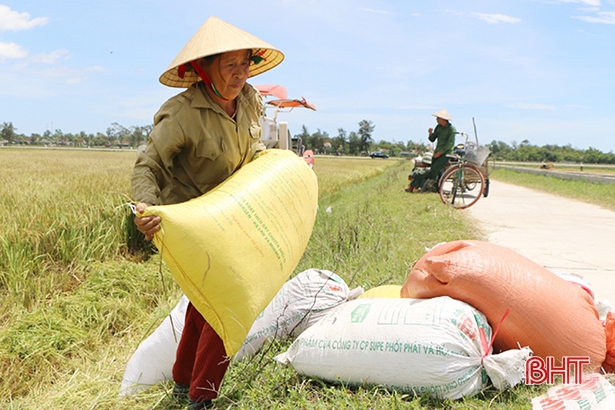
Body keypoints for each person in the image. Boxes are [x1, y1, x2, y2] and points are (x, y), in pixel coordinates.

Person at [131, 16, 284, 409]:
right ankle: (202, 396)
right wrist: (145, 207)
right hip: (194, 223)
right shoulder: (181, 113)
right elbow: (148, 165)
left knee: (206, 302)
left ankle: (184, 379)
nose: (240, 74)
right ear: (204, 68)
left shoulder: (250, 101)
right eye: (229, 64)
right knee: (227, 301)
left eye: (245, 63)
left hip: (236, 217)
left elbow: (255, 153)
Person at [406, 109, 456, 192]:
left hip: (445, 154)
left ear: (444, 119)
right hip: (437, 152)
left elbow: (450, 144)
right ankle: (430, 186)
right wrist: (430, 133)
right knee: (433, 171)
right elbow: (432, 139)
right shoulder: (438, 127)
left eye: (438, 118)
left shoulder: (451, 128)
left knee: (433, 171)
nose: (436, 119)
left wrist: (440, 153)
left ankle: (416, 176)